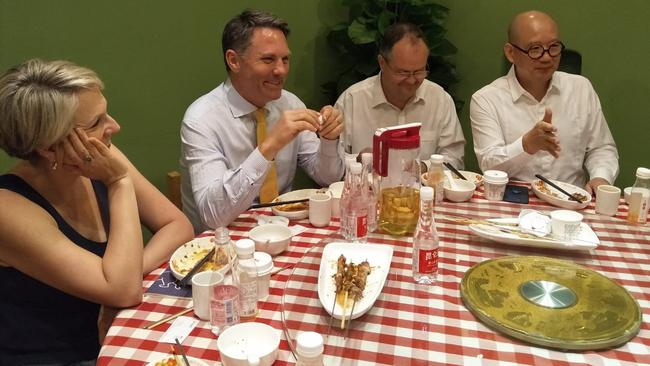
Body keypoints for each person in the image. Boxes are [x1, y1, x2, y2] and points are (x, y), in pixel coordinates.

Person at [0, 59, 194, 365]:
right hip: (59, 356)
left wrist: (123, 277)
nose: (114, 127)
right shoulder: (7, 209)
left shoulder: (99, 157)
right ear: (50, 147)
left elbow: (178, 225)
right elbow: (123, 290)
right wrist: (118, 183)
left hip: (118, 331)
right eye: (96, 123)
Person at [180, 9, 345, 232]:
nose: (281, 70)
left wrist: (328, 139)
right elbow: (213, 216)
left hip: (284, 230)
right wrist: (269, 146)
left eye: (285, 59)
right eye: (268, 59)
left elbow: (328, 177)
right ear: (234, 60)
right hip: (222, 245)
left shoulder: (291, 103)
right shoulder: (201, 119)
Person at [470, 11, 618, 193]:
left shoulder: (581, 89)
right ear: (511, 53)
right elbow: (489, 166)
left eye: (554, 47)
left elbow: (601, 148)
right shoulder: (486, 99)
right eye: (535, 49)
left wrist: (600, 177)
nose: (547, 57)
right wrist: (526, 145)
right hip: (514, 201)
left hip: (571, 201)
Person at [335, 22, 465, 169]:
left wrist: (423, 167)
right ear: (382, 63)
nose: (411, 80)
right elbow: (333, 164)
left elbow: (454, 159)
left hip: (421, 189)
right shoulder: (352, 100)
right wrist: (359, 161)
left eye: (419, 71)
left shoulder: (440, 99)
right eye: (403, 72)